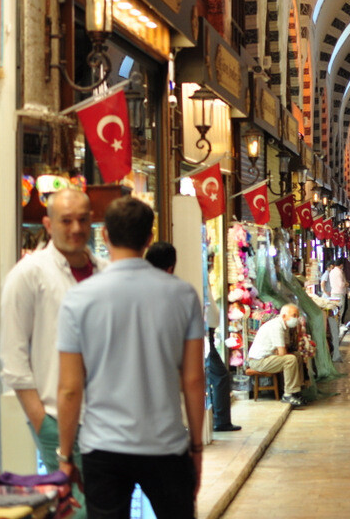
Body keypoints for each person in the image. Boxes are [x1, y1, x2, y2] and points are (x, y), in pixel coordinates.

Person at [56, 197, 204, 517]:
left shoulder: (78, 299)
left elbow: (69, 388)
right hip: (166, 444)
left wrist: (65, 455)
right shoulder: (183, 295)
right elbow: (193, 380)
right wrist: (196, 447)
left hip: (103, 446)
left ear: (105, 235)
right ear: (149, 239)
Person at [0, 188, 105, 517]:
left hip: (106, 419)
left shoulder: (104, 271)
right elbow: (13, 357)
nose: (75, 228)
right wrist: (42, 421)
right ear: (48, 224)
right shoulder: (28, 275)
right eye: (66, 220)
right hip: (57, 418)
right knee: (75, 510)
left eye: (83, 220)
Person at [146, 241, 240, 433]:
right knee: (217, 375)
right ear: (172, 266)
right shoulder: (182, 291)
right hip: (192, 340)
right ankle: (219, 421)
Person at [248, 304, 307, 407]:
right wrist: (279, 351)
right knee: (290, 359)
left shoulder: (284, 327)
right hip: (259, 361)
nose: (296, 318)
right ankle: (288, 394)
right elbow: (282, 353)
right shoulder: (276, 326)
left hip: (268, 357)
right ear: (284, 316)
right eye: (294, 315)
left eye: (297, 316)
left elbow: (284, 348)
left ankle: (297, 390)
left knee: (297, 355)